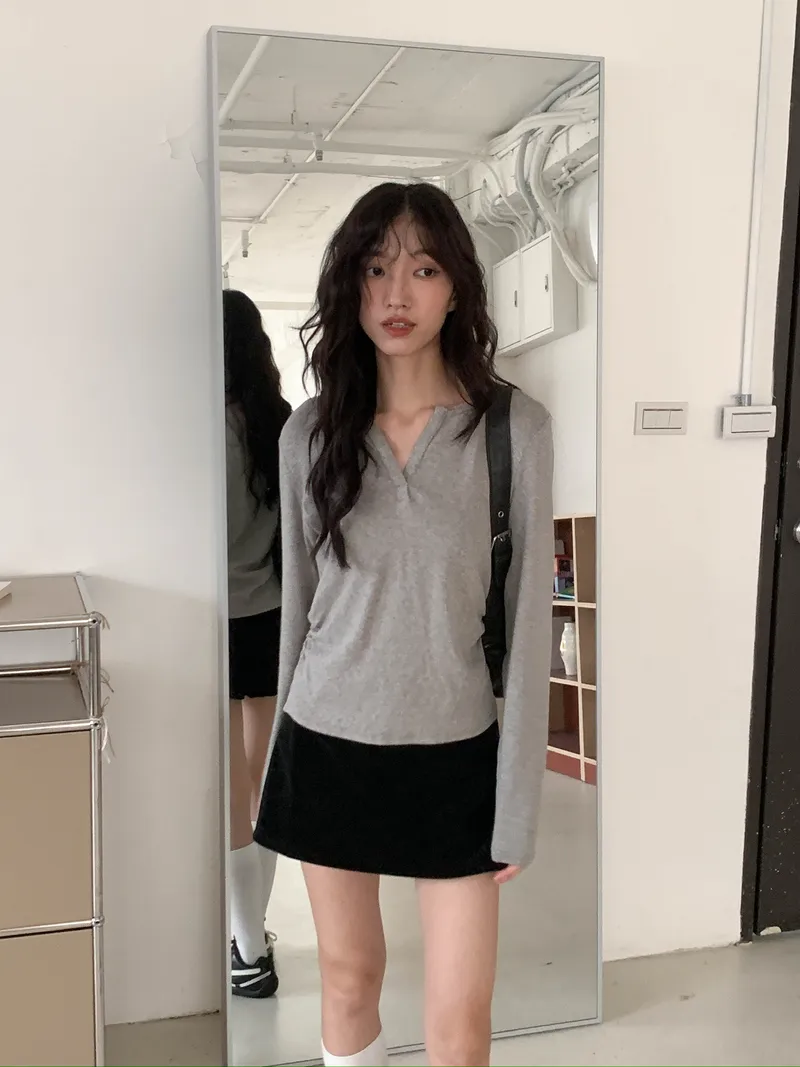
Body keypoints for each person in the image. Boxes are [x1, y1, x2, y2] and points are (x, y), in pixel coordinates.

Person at [254, 182, 554, 1066]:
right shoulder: (310, 435)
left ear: (456, 288)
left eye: (422, 270)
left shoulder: (514, 429)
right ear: (350, 284)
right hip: (327, 742)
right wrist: (277, 772)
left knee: (461, 1017)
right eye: (376, 269)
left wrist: (518, 803)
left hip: (455, 754)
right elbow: (299, 617)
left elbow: (529, 621)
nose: (396, 294)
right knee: (349, 980)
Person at [224, 288, 291, 998]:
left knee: (229, 791)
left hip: (213, 618)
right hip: (270, 613)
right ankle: (255, 932)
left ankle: (247, 949)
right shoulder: (279, 422)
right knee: (262, 781)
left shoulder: (197, 428)